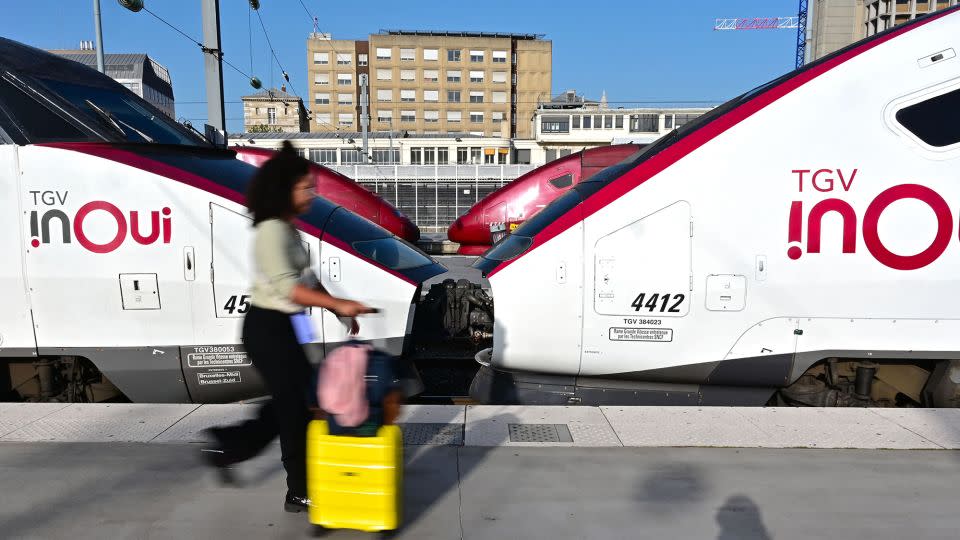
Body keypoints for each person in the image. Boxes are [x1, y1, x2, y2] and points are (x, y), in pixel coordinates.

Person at [201, 141, 374, 513]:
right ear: (284, 190)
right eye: (305, 187)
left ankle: (230, 444)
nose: (312, 193)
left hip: (286, 326)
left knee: (293, 403)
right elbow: (287, 287)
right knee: (294, 408)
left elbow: (307, 279)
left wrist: (338, 310)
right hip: (267, 329)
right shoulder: (270, 232)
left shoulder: (289, 229)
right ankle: (298, 490)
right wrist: (337, 304)